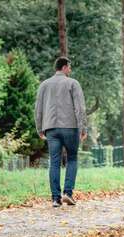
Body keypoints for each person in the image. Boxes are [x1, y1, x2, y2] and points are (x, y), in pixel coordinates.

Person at [35, 57, 87, 208]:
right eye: (69, 67)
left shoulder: (44, 85)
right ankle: (68, 193)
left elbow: (38, 109)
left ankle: (55, 198)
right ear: (64, 67)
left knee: (54, 162)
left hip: (51, 128)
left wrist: (39, 128)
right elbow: (80, 108)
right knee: (72, 158)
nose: (70, 70)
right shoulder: (72, 83)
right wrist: (83, 128)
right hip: (70, 127)